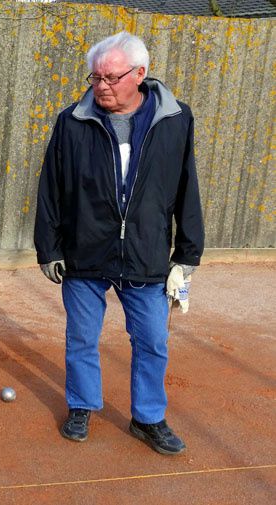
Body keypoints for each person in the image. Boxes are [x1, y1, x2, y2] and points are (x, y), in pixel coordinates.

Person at [34, 32, 204, 455]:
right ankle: (81, 405)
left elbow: (187, 189)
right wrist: (49, 249)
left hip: (145, 254)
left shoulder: (175, 120)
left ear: (140, 73)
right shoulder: (72, 121)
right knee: (81, 338)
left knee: (151, 341)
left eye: (111, 77)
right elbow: (51, 189)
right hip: (85, 250)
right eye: (95, 78)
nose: (101, 86)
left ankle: (148, 417)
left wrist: (187, 255)